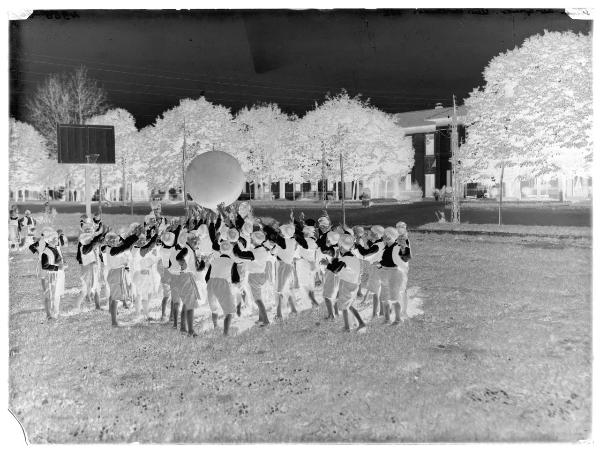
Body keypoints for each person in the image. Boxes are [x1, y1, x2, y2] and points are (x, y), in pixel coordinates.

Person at [104, 225, 143, 327]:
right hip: (116, 274)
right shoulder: (112, 250)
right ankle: (114, 322)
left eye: (115, 240)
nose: (114, 241)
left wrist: (134, 235)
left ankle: (114, 320)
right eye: (111, 240)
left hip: (117, 273)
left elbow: (124, 243)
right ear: (107, 241)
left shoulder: (112, 248)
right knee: (115, 299)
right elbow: (125, 246)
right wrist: (135, 236)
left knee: (114, 298)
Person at [327, 234, 366, 332]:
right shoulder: (355, 258)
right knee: (349, 305)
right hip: (355, 284)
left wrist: (326, 263)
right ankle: (359, 323)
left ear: (340, 247)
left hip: (346, 284)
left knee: (345, 306)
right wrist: (336, 256)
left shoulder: (344, 260)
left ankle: (347, 327)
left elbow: (335, 269)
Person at [205, 241, 242, 336]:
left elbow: (207, 277)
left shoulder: (214, 261)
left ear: (220, 250)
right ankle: (225, 333)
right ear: (230, 251)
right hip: (222, 284)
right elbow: (236, 279)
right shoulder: (232, 262)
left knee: (214, 308)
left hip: (211, 283)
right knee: (229, 311)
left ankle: (215, 326)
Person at [378, 227, 410, 324]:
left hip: (394, 273)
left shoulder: (397, 246)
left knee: (395, 298)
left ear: (392, 236)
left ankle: (398, 319)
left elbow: (405, 259)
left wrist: (404, 249)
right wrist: (379, 265)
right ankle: (387, 319)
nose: (384, 238)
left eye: (387, 236)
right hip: (385, 272)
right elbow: (384, 260)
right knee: (385, 298)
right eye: (384, 236)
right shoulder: (386, 247)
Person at [355, 225, 386, 319]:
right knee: (379, 291)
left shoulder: (377, 246)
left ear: (376, 235)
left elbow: (365, 253)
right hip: (380, 268)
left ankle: (376, 313)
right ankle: (381, 311)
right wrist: (364, 238)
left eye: (371, 233)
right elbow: (371, 246)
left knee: (376, 292)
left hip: (377, 269)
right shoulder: (379, 243)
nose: (369, 233)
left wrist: (357, 245)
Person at [39, 228, 65, 320]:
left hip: (57, 275)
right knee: (50, 295)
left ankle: (56, 313)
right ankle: (49, 315)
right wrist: (57, 267)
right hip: (50, 276)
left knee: (57, 294)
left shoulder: (55, 248)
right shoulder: (45, 252)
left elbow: (58, 259)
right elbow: (44, 266)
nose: (57, 240)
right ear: (49, 240)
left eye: (56, 238)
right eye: (55, 238)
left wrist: (62, 264)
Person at [317, 230, 341, 321]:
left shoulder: (330, 250)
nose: (326, 240)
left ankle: (331, 316)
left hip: (331, 273)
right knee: (333, 295)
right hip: (333, 273)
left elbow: (324, 250)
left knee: (327, 296)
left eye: (328, 239)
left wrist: (327, 263)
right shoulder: (336, 248)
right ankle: (336, 312)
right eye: (327, 238)